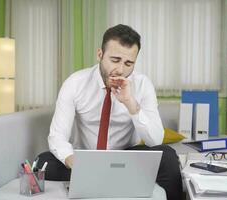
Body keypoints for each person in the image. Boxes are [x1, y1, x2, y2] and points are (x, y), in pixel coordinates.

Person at [37, 24, 182, 200]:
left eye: (129, 63)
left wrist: (131, 104)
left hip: (126, 157)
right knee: (43, 162)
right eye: (115, 60)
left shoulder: (143, 85)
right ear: (100, 54)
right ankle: (114, 182)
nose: (121, 70)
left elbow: (155, 141)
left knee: (167, 156)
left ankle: (103, 181)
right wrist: (72, 160)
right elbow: (57, 136)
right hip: (85, 159)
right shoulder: (75, 83)